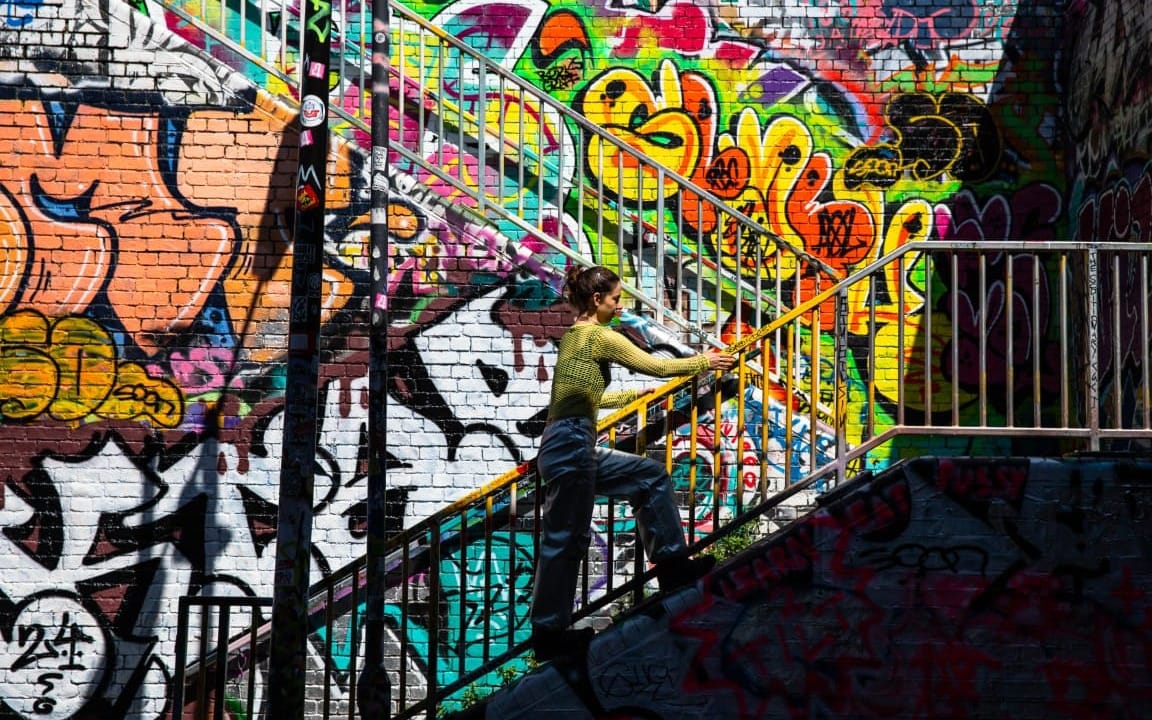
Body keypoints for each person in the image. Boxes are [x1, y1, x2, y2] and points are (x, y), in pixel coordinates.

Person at [529, 264, 736, 661]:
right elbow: (656, 364)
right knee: (566, 540)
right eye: (616, 298)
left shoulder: (576, 338)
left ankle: (672, 565)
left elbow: (580, 397)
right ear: (597, 300)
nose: (619, 304)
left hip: (571, 442)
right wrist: (704, 362)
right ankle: (548, 634)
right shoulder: (595, 336)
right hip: (571, 444)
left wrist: (627, 399)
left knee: (649, 476)